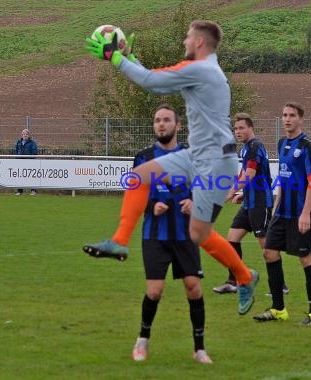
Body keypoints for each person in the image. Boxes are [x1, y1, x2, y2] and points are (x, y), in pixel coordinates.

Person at [83, 20, 259, 315]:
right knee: (139, 176)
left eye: (188, 38)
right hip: (198, 155)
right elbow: (155, 79)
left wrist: (115, 58)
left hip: (216, 161)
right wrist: (128, 58)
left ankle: (244, 276)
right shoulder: (203, 70)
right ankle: (119, 242)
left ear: (200, 42)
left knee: (198, 234)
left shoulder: (201, 70)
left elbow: (152, 82)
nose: (184, 42)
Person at [131, 104, 211, 364]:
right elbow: (134, 194)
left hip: (185, 234)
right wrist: (150, 205)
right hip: (155, 234)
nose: (161, 124)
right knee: (154, 291)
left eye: (166, 120)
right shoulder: (143, 158)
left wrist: (193, 202)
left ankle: (199, 348)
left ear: (177, 125)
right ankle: (142, 340)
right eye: (157, 120)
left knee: (193, 288)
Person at [253, 102, 311, 326]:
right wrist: (275, 205)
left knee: (305, 258)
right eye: (284, 115)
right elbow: (283, 179)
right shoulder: (282, 143)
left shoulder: (309, 146)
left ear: (300, 119)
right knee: (269, 253)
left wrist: (305, 214)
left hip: (301, 213)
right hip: (282, 212)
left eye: (292, 115)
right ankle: (278, 309)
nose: (287, 119)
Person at [212, 113, 289, 295]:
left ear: (250, 128)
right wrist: (241, 193)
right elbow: (245, 173)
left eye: (241, 128)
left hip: (260, 203)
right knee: (232, 239)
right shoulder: (246, 148)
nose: (238, 132)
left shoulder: (254, 146)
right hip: (249, 203)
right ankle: (234, 282)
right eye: (236, 128)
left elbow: (251, 174)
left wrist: (231, 191)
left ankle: (281, 285)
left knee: (266, 247)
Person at [14, 128, 38, 195]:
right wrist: (17, 157)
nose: (25, 135)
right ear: (21, 135)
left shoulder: (32, 143)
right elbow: (16, 151)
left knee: (31, 176)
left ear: (28, 135)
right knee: (19, 176)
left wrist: (30, 158)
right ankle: (20, 191)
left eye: (26, 134)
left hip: (29, 162)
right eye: (24, 134)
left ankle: (33, 191)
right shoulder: (18, 142)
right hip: (20, 162)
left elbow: (35, 152)